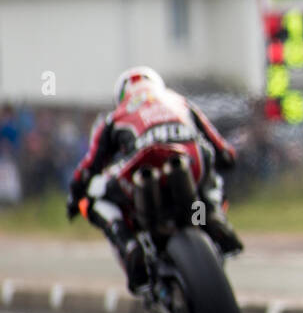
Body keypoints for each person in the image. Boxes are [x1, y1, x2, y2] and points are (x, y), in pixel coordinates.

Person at [66, 67, 241, 291]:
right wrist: (226, 160)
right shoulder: (180, 102)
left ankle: (129, 245)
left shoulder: (115, 116)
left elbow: (89, 168)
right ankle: (213, 218)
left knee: (94, 198)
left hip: (141, 168)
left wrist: (74, 197)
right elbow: (223, 150)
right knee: (206, 167)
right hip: (190, 159)